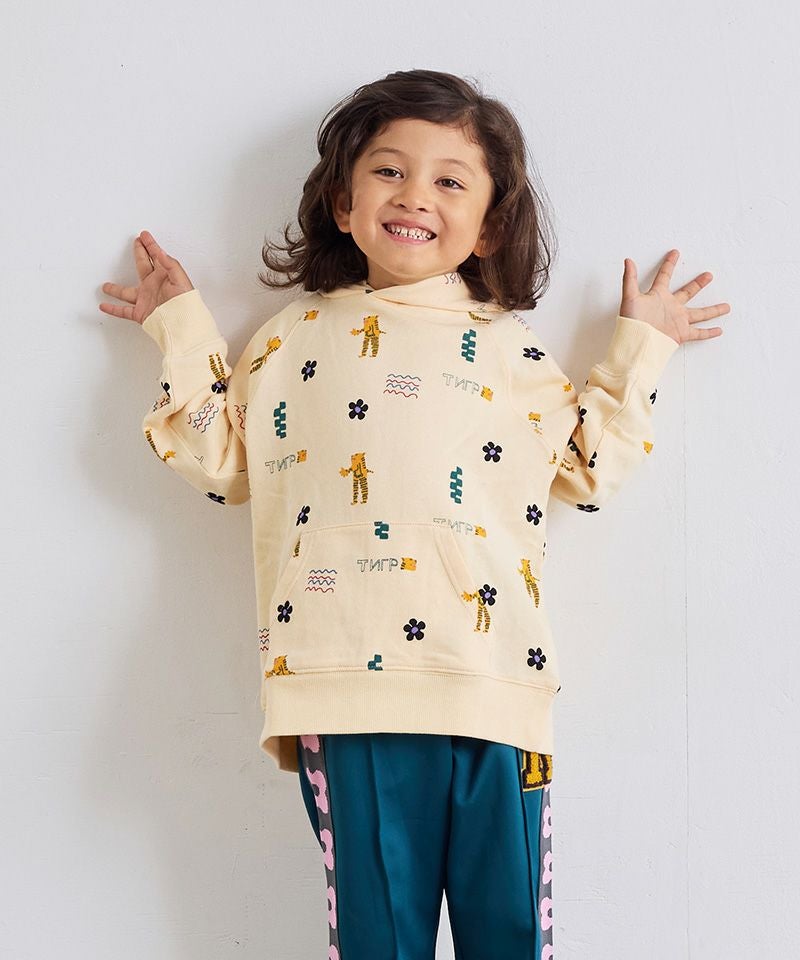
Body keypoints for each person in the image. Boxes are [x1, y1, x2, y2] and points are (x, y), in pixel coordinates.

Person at [98, 69, 729, 960]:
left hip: (493, 686)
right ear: (343, 204)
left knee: (509, 936)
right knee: (378, 940)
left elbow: (588, 469)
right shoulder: (291, 339)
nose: (415, 196)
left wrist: (644, 345)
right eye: (388, 171)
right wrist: (180, 328)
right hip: (342, 686)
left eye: (449, 180)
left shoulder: (511, 352)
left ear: (490, 225)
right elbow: (221, 463)